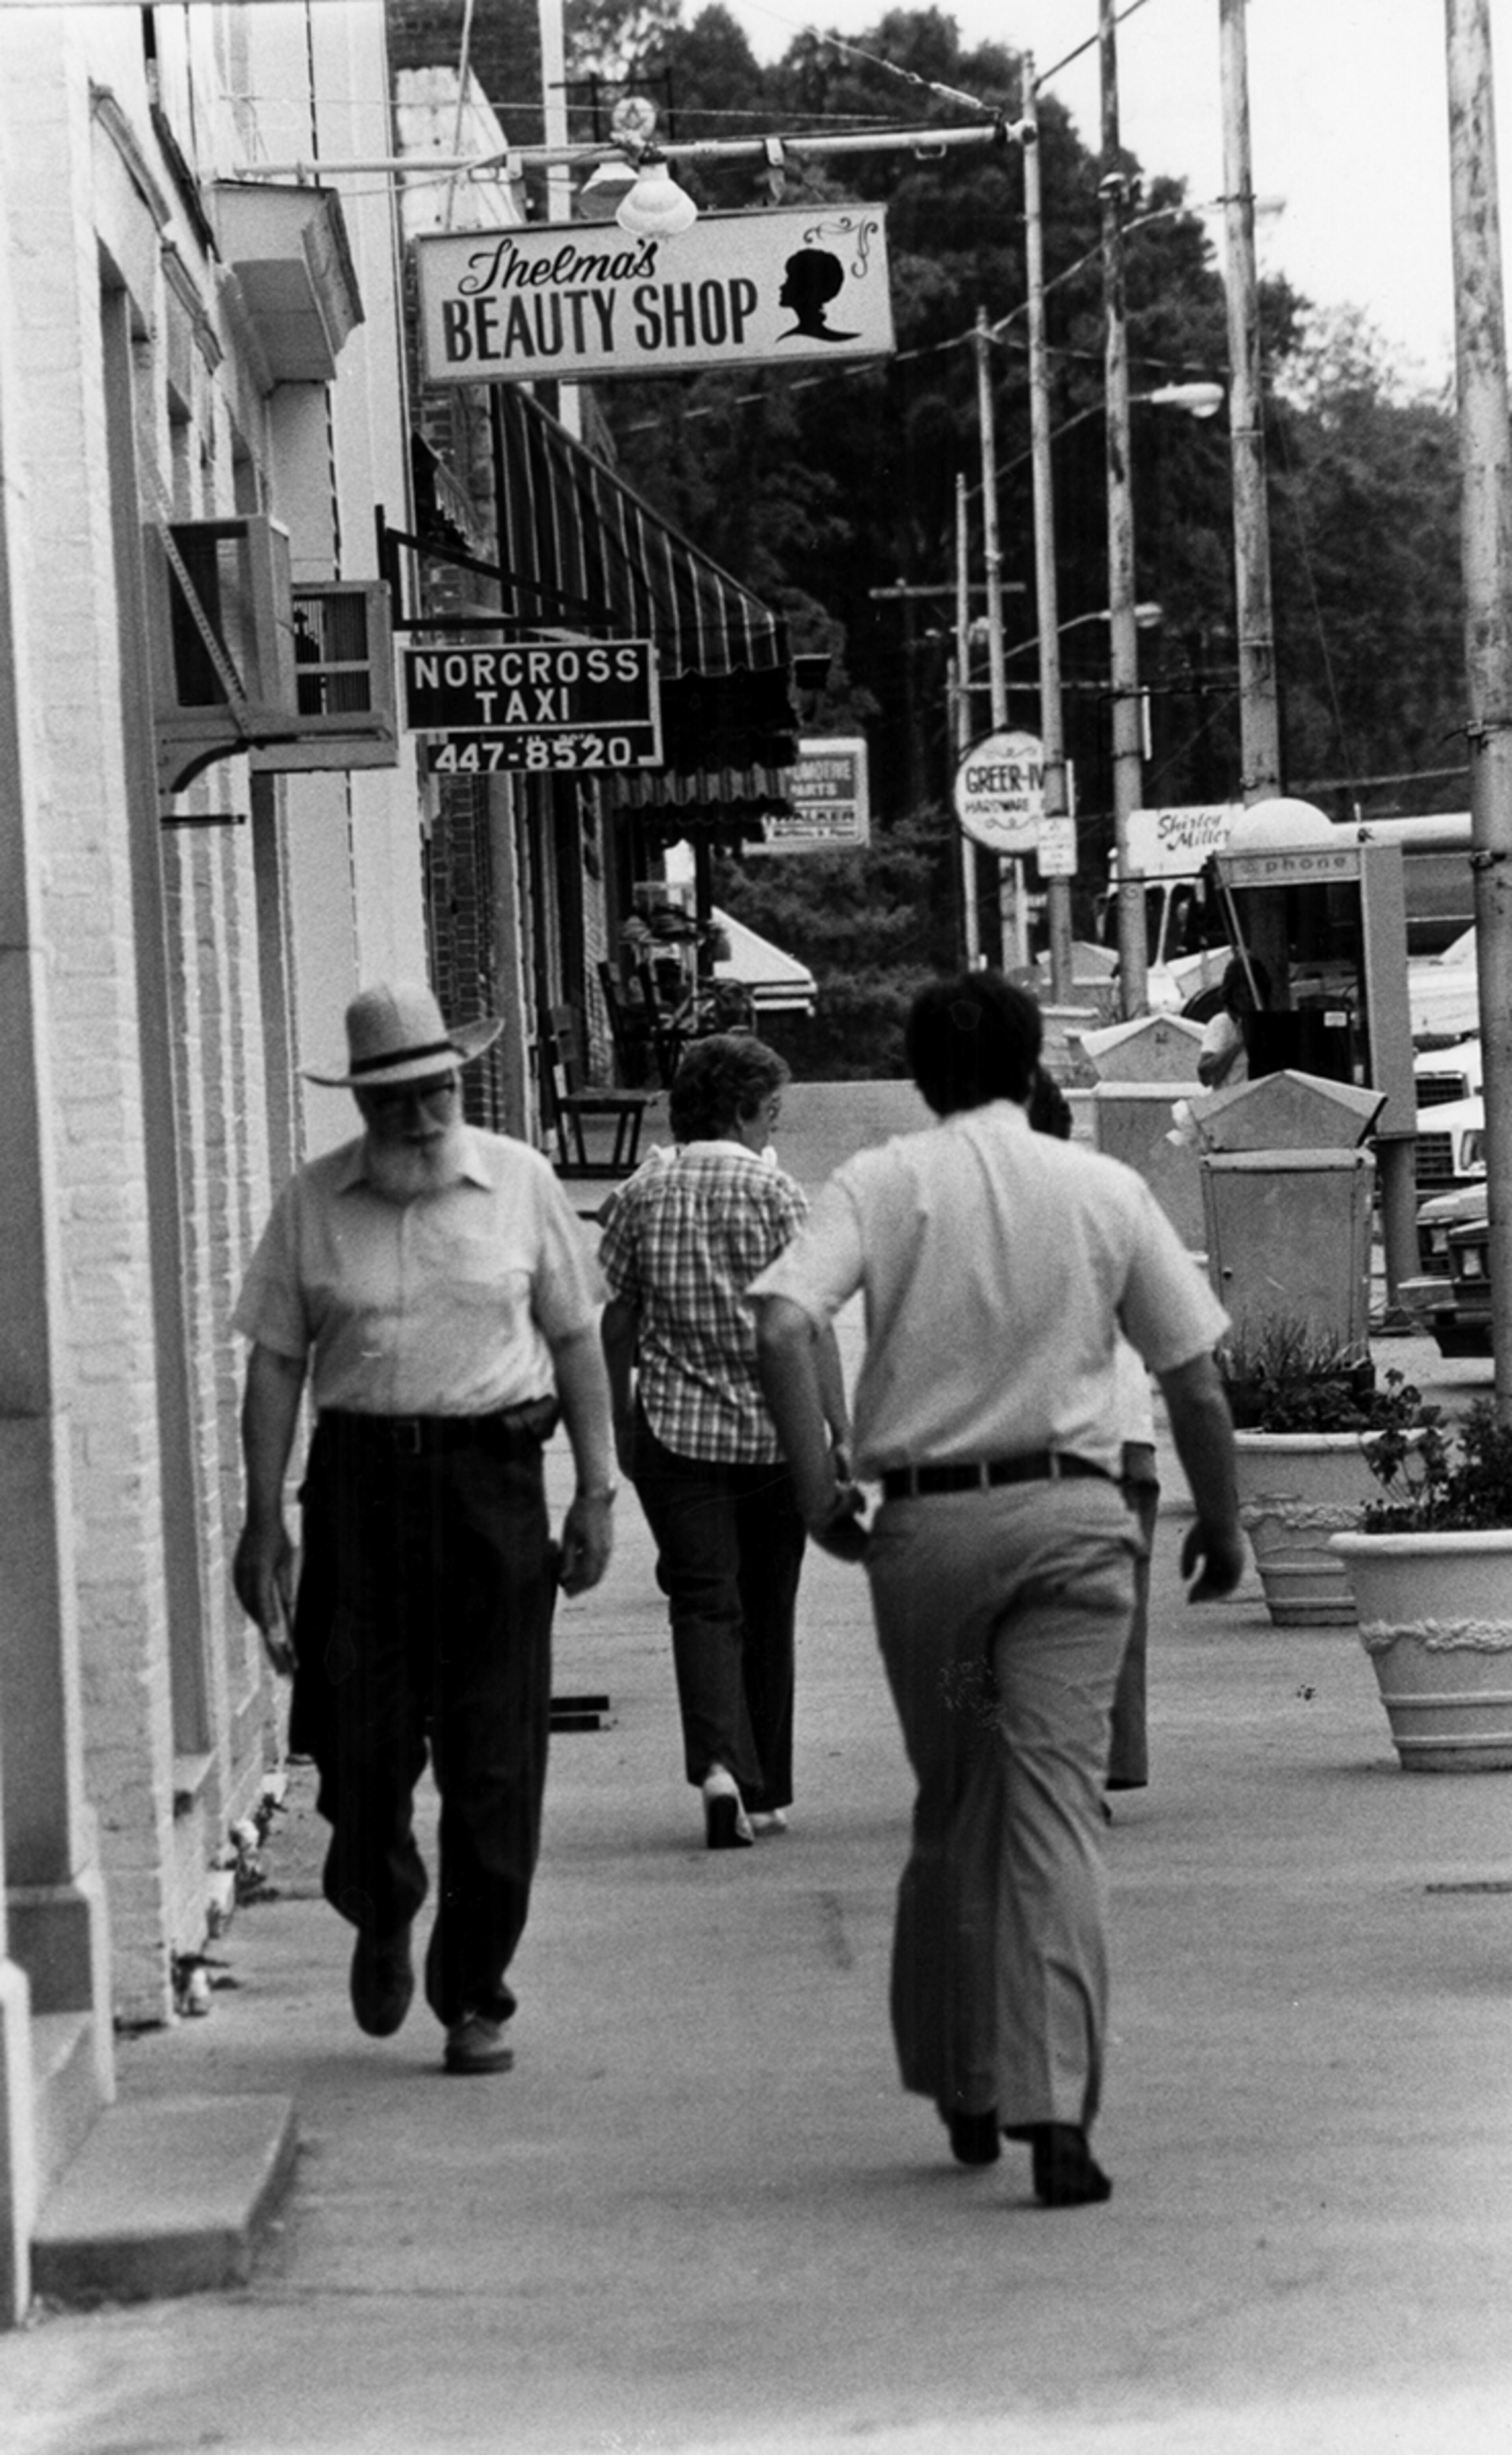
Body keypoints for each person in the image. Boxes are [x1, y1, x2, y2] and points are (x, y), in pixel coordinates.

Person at [751, 975, 1243, 2206]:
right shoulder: (1101, 1189)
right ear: (1034, 1067)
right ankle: (1055, 2106)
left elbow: (779, 1321)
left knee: (960, 1797)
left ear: (917, 1075)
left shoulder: (877, 1182)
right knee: (1054, 1809)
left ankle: (964, 2074)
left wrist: (818, 1493)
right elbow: (1190, 1375)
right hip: (1071, 1539)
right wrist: (1222, 1524)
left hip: (931, 1545)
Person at [231, 982, 616, 2077]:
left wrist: (596, 1489)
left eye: (437, 1089)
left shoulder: (521, 1185)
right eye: (397, 1097)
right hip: (357, 1496)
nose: (422, 1113)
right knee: (358, 1751)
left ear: (460, 1080)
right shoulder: (313, 1204)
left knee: (497, 1760)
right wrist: (264, 1517)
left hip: (492, 1490)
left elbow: (578, 1337)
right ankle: (381, 1902)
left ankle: (474, 1993)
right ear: (361, 1102)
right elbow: (274, 1361)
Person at [599, 1035, 849, 1849]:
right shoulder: (776, 1192)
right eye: (771, 1108)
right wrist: (840, 1432)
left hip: (676, 1431)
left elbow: (619, 1316)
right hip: (778, 1439)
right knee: (769, 1605)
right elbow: (807, 1325)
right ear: (743, 1109)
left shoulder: (642, 1191)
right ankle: (766, 1788)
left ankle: (716, 1766)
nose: (774, 1122)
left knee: (705, 1602)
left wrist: (620, 1419)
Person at [1197, 954, 1272, 1091]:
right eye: (1240, 997)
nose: (1247, 1003)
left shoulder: (1270, 1025)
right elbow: (1205, 1076)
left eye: (1251, 995)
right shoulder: (1223, 1024)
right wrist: (1237, 1043)